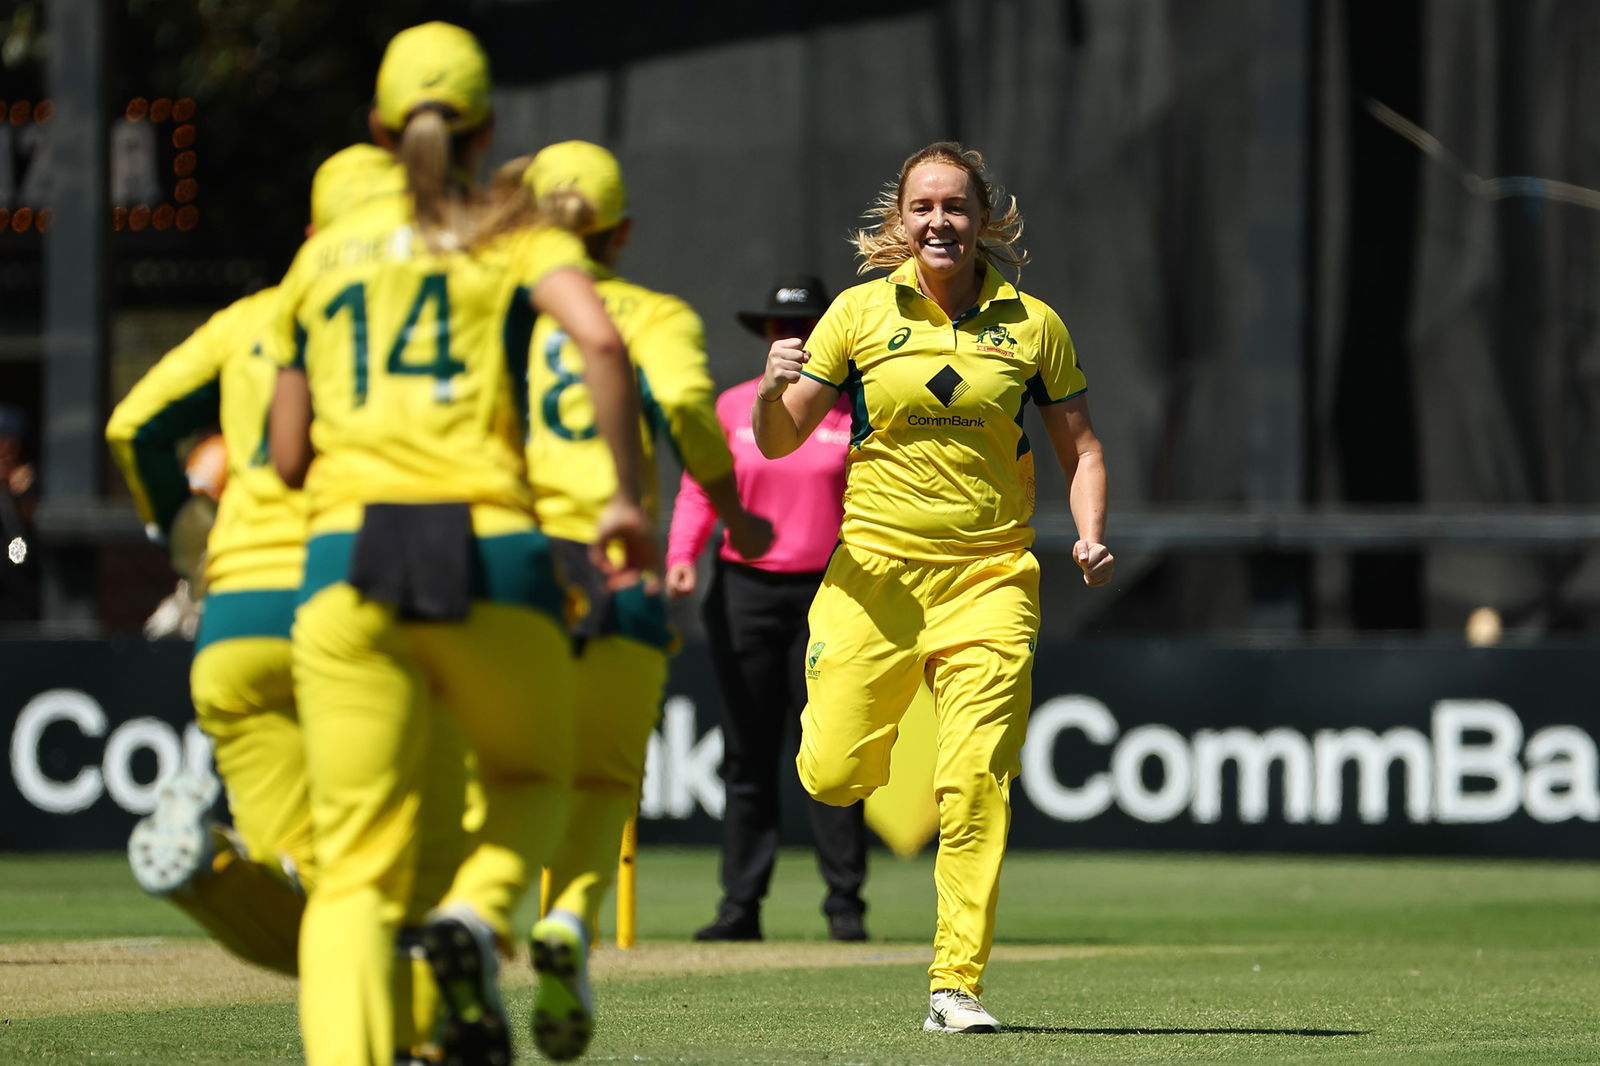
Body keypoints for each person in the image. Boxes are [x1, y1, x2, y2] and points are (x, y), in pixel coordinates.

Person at [267, 24, 651, 1066]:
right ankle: (478, 918)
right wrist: (623, 494)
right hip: (491, 549)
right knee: (534, 780)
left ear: (381, 129)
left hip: (349, 560)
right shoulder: (510, 232)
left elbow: (287, 453)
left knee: (351, 870)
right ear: (487, 129)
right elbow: (602, 339)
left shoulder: (319, 258)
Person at [108, 143, 473, 1065]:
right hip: (351, 598)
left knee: (317, 895)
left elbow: (132, 426)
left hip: (232, 625)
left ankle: (214, 874)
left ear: (312, 231)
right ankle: (430, 1030)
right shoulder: (422, 315)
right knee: (388, 877)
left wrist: (175, 531)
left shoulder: (248, 322)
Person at [750, 141, 1114, 1035]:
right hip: (873, 577)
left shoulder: (1032, 325)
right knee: (834, 777)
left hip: (992, 578)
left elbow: (1083, 449)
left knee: (975, 783)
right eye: (924, 207)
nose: (940, 222)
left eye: (957, 207)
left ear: (985, 219)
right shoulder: (857, 315)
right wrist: (771, 391)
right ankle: (859, 750)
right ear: (900, 221)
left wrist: (1092, 534)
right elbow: (778, 441)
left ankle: (956, 985)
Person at [516, 139, 773, 1060]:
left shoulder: (497, 307)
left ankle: (474, 909)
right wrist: (735, 516)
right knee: (601, 781)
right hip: (613, 563)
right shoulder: (650, 313)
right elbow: (693, 416)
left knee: (507, 773)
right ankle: (570, 920)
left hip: (507, 567)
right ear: (623, 231)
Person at [664, 275, 871, 943]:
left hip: (830, 594)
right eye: (783, 328)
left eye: (811, 324)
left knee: (830, 749)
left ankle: (845, 907)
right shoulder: (732, 408)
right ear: (762, 335)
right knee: (748, 754)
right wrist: (682, 553)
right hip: (744, 593)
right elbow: (703, 489)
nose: (797, 338)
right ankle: (740, 907)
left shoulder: (849, 409)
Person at [0, 403, 38, 622]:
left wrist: (18, 499)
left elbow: (20, 555)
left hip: (20, 608)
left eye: (11, 445)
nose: (5, 452)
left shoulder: (26, 487)